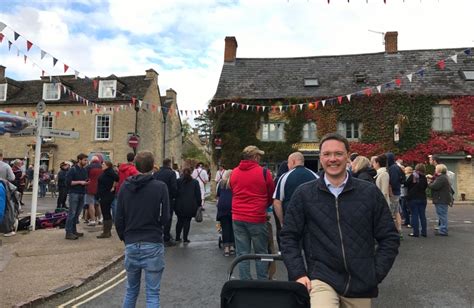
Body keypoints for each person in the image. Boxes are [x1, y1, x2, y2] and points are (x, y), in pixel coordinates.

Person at [280, 133, 400, 307]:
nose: (332, 159)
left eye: (338, 153)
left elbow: (389, 237)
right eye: (327, 154)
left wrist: (375, 273)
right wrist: (298, 273)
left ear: (348, 156)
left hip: (360, 281)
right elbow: (289, 236)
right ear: (320, 158)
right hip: (322, 278)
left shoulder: (369, 193)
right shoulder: (304, 194)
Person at [115, 151, 170, 307]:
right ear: (153, 166)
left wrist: (124, 237)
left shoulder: (125, 187)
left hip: (132, 241)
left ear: (135, 165)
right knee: (153, 293)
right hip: (152, 240)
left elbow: (119, 217)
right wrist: (159, 229)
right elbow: (166, 216)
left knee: (131, 290)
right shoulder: (160, 187)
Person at [230, 145, 275, 280]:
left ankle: (245, 282)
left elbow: (233, 190)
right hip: (256, 217)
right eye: (259, 156)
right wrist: (263, 206)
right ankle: (262, 281)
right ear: (255, 157)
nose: (260, 159)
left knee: (242, 253)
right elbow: (271, 193)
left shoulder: (234, 172)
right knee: (261, 251)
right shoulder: (264, 173)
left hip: (237, 216)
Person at [273, 152, 319, 230]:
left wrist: (282, 222)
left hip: (291, 220)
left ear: (293, 161)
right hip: (311, 220)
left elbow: (277, 202)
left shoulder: (284, 177)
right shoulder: (316, 176)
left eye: (288, 162)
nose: (287, 165)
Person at [153, 158, 178, 247]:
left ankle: (158, 235)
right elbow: (174, 187)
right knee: (167, 217)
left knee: (156, 216)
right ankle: (166, 237)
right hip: (168, 198)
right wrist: (174, 196)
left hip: (156, 198)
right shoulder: (171, 173)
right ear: (169, 164)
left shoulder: (156, 173)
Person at [174, 168, 201, 244]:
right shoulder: (195, 182)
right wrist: (199, 204)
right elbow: (198, 194)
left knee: (179, 221)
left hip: (179, 204)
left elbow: (175, 192)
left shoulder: (178, 181)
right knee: (187, 221)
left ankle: (177, 237)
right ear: (191, 173)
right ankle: (185, 238)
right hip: (190, 205)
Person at [65, 153, 89, 240]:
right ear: (79, 160)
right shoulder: (73, 170)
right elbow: (68, 182)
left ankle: (73, 230)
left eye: (86, 160)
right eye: (84, 160)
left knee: (77, 214)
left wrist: (86, 182)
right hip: (74, 193)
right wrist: (80, 182)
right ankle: (68, 232)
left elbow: (84, 180)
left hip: (82, 193)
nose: (86, 162)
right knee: (72, 213)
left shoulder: (84, 170)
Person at [97, 161, 119, 238]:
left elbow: (117, 178)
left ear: (108, 166)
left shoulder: (109, 172)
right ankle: (106, 231)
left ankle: (106, 232)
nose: (102, 165)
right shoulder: (106, 172)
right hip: (104, 194)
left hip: (106, 195)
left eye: (103, 164)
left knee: (106, 212)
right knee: (106, 212)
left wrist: (113, 187)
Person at [428, 164, 452, 236]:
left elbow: (434, 186)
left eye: (436, 168)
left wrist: (429, 182)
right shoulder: (444, 177)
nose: (435, 170)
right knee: (442, 215)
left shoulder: (441, 178)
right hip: (442, 198)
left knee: (442, 215)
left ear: (439, 170)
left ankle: (443, 230)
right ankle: (442, 229)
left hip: (441, 199)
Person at [405, 163, 428, 238]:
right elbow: (425, 187)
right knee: (422, 215)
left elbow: (406, 184)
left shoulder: (413, 175)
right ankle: (424, 232)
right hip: (422, 198)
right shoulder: (424, 177)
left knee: (414, 215)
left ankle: (416, 232)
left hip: (413, 197)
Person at [216, 169, 234, 256]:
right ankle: (232, 247)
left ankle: (226, 248)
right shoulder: (234, 183)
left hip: (222, 207)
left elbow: (218, 195)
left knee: (225, 227)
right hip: (233, 206)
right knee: (233, 227)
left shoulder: (221, 183)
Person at [386, 152, 405, 238]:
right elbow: (403, 179)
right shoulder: (397, 167)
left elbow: (392, 182)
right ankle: (399, 230)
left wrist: (390, 191)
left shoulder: (392, 168)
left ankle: (392, 233)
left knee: (391, 213)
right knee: (397, 212)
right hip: (397, 192)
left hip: (392, 193)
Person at [85, 156, 103, 226]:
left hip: (90, 187)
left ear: (91, 160)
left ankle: (93, 220)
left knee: (91, 204)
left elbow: (85, 177)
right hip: (99, 188)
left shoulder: (88, 167)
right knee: (98, 204)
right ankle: (100, 218)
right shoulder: (102, 167)